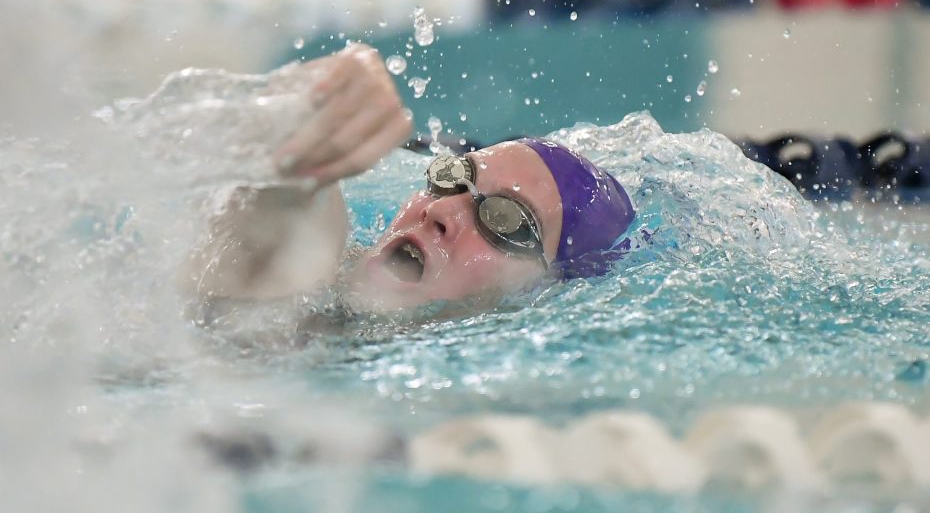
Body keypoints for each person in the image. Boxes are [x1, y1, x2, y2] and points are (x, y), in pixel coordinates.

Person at [179, 43, 635, 319]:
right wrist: (315, 113)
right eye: (452, 180)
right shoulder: (304, 273)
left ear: (549, 295)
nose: (438, 211)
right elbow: (279, 201)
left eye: (504, 221)